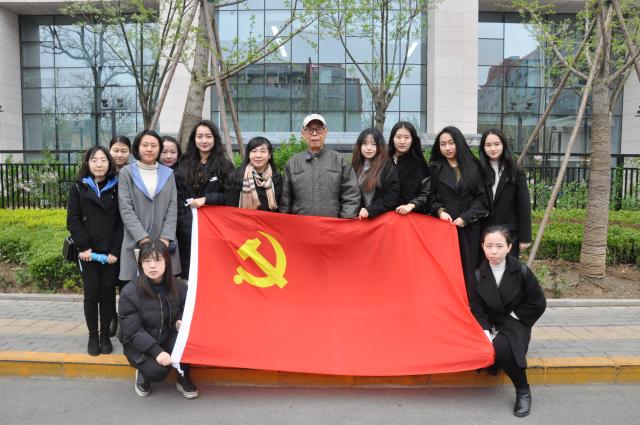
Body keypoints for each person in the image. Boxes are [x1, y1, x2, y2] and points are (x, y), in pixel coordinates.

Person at [468, 225, 546, 417]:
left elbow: (538, 302)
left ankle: (523, 390)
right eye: (489, 246)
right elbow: (477, 309)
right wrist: (486, 331)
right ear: (482, 247)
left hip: (516, 321)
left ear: (509, 247)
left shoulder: (522, 271)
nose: (493, 251)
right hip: (491, 324)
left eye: (499, 246)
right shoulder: (478, 275)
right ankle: (495, 363)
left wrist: (515, 316)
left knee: (503, 347)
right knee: (488, 345)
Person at [118, 240, 198, 399]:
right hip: (139, 344)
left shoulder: (180, 286)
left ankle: (183, 375)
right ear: (141, 264)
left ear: (166, 262)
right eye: (147, 261)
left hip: (167, 335)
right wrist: (157, 352)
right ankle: (143, 372)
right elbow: (132, 331)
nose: (152, 266)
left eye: (158, 260)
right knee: (158, 371)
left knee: (187, 341)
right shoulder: (129, 292)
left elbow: (188, 308)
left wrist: (181, 320)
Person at [67, 146, 122, 355]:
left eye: (103, 160)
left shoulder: (117, 187)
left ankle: (105, 336)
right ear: (87, 163)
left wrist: (115, 250)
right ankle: (93, 336)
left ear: (109, 163)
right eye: (94, 160)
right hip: (87, 253)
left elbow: (121, 222)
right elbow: (73, 219)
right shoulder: (79, 188)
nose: (99, 164)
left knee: (107, 292)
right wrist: (84, 247)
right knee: (91, 293)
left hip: (109, 254)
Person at [430, 126, 489, 291]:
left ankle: (470, 304)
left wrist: (466, 217)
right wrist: (440, 211)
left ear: (459, 143)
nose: (447, 148)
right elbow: (430, 198)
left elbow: (482, 198)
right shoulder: (435, 168)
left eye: (451, 143)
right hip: (445, 228)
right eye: (443, 144)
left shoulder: (474, 166)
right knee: (447, 272)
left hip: (470, 228)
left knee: (470, 271)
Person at [118, 130, 180, 282]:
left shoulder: (168, 173)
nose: (149, 149)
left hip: (163, 242)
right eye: (145, 145)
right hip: (136, 241)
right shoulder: (127, 173)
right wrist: (143, 239)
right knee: (137, 289)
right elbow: (126, 209)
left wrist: (165, 238)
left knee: (165, 288)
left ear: (159, 149)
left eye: (154, 145)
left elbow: (172, 207)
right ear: (137, 147)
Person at [176, 120, 234, 278]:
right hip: (187, 229)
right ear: (194, 139)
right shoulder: (183, 164)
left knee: (213, 273)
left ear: (215, 139)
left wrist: (207, 199)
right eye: (200, 136)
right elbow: (178, 196)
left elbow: (231, 197)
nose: (204, 140)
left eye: (208, 136)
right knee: (190, 273)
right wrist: (183, 220)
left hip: (214, 228)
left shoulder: (225, 166)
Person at [279, 113, 360, 218]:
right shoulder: (292, 163)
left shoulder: (340, 161)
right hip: (301, 225)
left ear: (325, 132)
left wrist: (344, 221)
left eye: (319, 130)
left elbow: (351, 195)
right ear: (303, 133)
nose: (314, 134)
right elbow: (285, 201)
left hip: (332, 225)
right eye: (309, 130)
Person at [479, 128, 532, 259]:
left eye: (497, 144)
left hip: (508, 234)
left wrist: (525, 237)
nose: (493, 148)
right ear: (483, 147)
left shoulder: (515, 170)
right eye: (488, 145)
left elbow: (524, 205)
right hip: (483, 233)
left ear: (503, 145)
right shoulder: (478, 170)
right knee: (484, 270)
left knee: (508, 269)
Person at [108, 135, 132, 337]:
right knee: (108, 281)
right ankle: (111, 317)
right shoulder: (102, 173)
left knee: (126, 279)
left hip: (128, 232)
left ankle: (125, 319)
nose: (119, 154)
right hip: (107, 234)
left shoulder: (133, 173)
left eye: (124, 151)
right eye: (116, 150)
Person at [351, 128, 399, 219]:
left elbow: (391, 198)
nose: (369, 148)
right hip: (360, 219)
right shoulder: (354, 167)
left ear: (379, 146)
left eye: (373, 144)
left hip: (382, 219)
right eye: (365, 143)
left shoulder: (388, 168)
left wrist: (370, 210)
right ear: (359, 146)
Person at [225, 136, 282, 211]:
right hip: (243, 218)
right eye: (254, 151)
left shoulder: (276, 177)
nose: (258, 155)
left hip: (269, 218)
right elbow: (230, 206)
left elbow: (281, 206)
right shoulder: (237, 176)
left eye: (263, 151)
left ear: (269, 155)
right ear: (248, 155)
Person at [387, 121, 431, 216]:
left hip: (413, 217)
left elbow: (426, 194)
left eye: (407, 137)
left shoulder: (420, 164)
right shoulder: (383, 162)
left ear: (412, 140)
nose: (402, 141)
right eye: (398, 137)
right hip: (387, 217)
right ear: (392, 139)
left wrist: (412, 205)